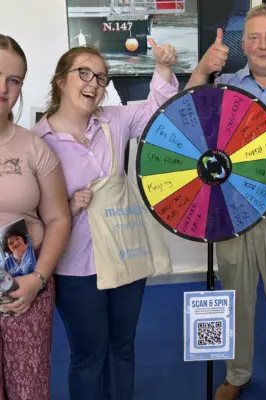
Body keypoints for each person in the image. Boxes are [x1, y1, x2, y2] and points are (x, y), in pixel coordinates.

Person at [32, 40, 178, 400]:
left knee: (123, 346)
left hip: (126, 253)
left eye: (101, 77)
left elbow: (156, 112)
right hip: (76, 265)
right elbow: (28, 212)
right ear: (60, 81)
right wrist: (65, 206)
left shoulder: (113, 120)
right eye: (84, 73)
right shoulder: (37, 141)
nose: (94, 83)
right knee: (89, 355)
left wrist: (162, 69)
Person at [186, 3, 266, 400]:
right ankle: (236, 374)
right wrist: (202, 70)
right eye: (254, 37)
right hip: (230, 211)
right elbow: (184, 117)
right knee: (235, 296)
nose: (263, 45)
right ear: (244, 44)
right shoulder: (222, 85)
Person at [0, 34, 71, 399]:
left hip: (25, 288)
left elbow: (59, 218)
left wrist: (38, 279)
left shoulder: (34, 147)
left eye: (14, 80)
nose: (3, 88)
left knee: (29, 390)